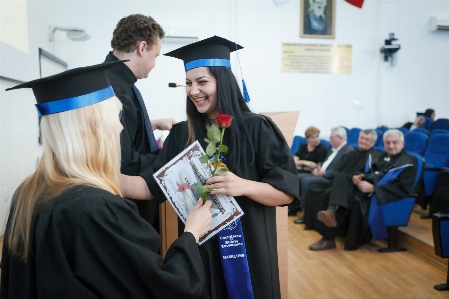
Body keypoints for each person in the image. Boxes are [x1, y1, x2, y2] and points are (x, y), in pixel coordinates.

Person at [1, 62, 213, 298]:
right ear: (94, 125)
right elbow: (165, 288)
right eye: (115, 117)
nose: (121, 127)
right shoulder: (97, 210)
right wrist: (191, 233)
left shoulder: (28, 193)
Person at [153, 36, 299, 299]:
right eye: (188, 83)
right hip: (200, 252)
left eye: (202, 82)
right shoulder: (180, 135)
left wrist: (243, 186)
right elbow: (153, 185)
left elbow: (286, 192)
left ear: (224, 81)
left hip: (251, 253)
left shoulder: (257, 128)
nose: (193, 90)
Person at [103, 14, 176, 229]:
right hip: (127, 208)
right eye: (155, 55)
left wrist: (152, 124)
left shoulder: (113, 79)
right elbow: (125, 162)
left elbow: (125, 127)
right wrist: (169, 156)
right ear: (142, 48)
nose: (154, 64)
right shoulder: (115, 91)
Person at [313, 129, 417, 251]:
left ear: (402, 143)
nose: (391, 146)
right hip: (365, 190)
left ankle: (329, 234)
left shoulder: (409, 162)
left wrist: (373, 188)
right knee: (337, 183)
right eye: (388, 143)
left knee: (345, 197)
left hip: (381, 196)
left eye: (395, 142)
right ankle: (330, 225)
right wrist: (361, 178)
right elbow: (373, 174)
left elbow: (402, 188)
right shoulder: (381, 157)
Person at [302, 129, 379, 250]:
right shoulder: (352, 153)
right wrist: (348, 177)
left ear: (373, 142)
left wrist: (355, 178)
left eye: (367, 139)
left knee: (328, 194)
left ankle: (328, 237)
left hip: (356, 189)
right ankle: (313, 223)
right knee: (313, 189)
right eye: (361, 138)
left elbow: (371, 176)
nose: (363, 141)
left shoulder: (374, 157)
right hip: (340, 184)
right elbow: (338, 170)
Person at [294, 127, 354, 224]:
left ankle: (306, 214)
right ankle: (294, 207)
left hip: (330, 179)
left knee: (305, 181)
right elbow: (323, 163)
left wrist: (324, 172)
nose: (329, 140)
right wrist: (316, 170)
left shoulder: (347, 151)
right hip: (322, 174)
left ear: (339, 138)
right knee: (298, 177)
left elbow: (340, 170)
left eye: (331, 138)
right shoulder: (333, 150)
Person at [288, 126, 328, 216]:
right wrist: (306, 162)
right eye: (313, 137)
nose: (316, 139)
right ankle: (291, 205)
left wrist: (301, 164)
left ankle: (295, 207)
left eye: (317, 136)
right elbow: (294, 161)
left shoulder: (323, 149)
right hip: (301, 170)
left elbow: (316, 166)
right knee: (289, 174)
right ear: (307, 139)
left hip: (312, 172)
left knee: (296, 178)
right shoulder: (303, 147)